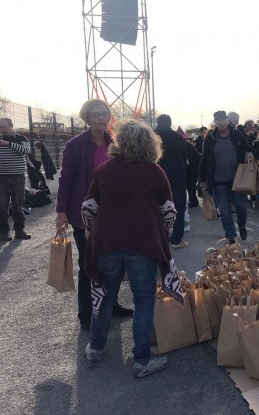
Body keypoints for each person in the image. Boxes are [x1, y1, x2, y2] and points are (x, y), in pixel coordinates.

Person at [81, 119, 175, 378]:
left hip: (107, 242)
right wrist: (162, 230)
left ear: (120, 142)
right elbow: (168, 211)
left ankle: (96, 347)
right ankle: (142, 360)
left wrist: (91, 228)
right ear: (150, 144)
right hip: (143, 243)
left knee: (106, 296)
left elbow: (88, 207)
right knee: (143, 299)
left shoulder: (104, 170)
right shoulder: (155, 172)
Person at [56, 99, 133, 332]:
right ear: (86, 118)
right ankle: (86, 315)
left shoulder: (114, 143)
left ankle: (112, 305)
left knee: (115, 263)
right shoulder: (75, 146)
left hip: (112, 213)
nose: (101, 118)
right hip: (84, 215)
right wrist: (61, 211)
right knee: (88, 264)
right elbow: (66, 179)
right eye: (96, 114)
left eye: (104, 113)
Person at [199, 110, 253, 243]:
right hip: (218, 181)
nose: (221, 122)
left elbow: (248, 148)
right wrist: (202, 179)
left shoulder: (236, 134)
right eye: (218, 120)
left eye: (223, 119)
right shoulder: (210, 138)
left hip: (238, 180)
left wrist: (249, 154)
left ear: (227, 121)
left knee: (241, 208)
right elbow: (204, 159)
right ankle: (231, 235)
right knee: (224, 211)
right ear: (215, 122)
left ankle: (241, 226)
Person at [154, 114, 189, 249]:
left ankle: (162, 239)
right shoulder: (178, 137)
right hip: (177, 176)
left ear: (158, 122)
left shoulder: (150, 137)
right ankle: (176, 239)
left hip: (156, 176)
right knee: (178, 208)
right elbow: (185, 156)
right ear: (170, 122)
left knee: (157, 208)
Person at [0, 118, 31, 241]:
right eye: (0, 127)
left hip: (18, 176)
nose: (2, 129)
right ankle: (3, 232)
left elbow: (25, 151)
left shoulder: (21, 139)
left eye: (4, 127)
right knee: (2, 205)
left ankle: (19, 230)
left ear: (11, 126)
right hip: (1, 177)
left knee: (18, 204)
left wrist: (7, 144)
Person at [185, 138, 201, 208]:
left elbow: (188, 161)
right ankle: (194, 201)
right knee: (191, 186)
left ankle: (194, 202)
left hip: (192, 169)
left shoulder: (185, 147)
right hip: (194, 169)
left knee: (190, 186)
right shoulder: (189, 147)